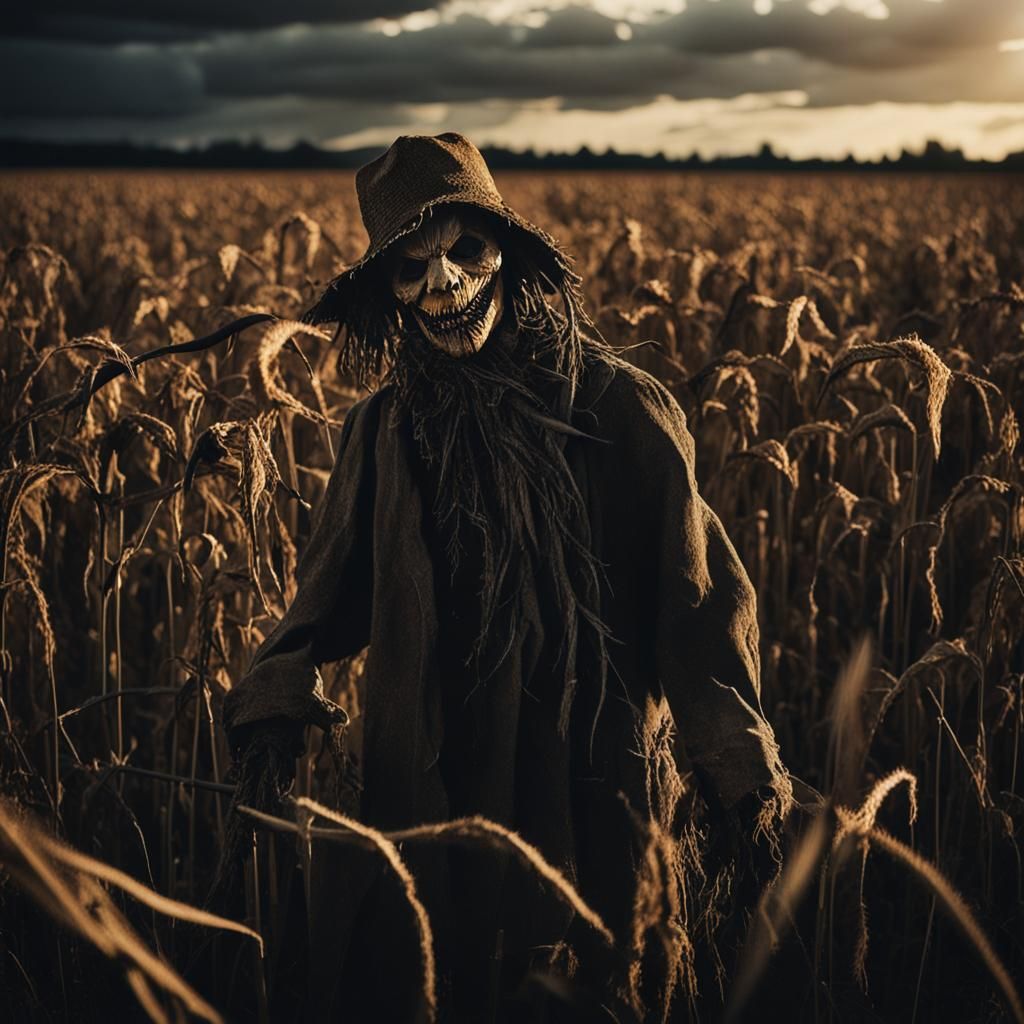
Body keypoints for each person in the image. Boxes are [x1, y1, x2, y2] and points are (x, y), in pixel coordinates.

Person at [220, 132, 792, 1023]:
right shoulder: (385, 431)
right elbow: (322, 600)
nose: (444, 283)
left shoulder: (620, 410)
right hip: (430, 786)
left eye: (464, 250)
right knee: (443, 983)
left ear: (508, 255)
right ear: (389, 295)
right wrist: (275, 695)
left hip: (590, 778)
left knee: (597, 984)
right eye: (412, 269)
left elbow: (699, 601)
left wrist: (737, 767)